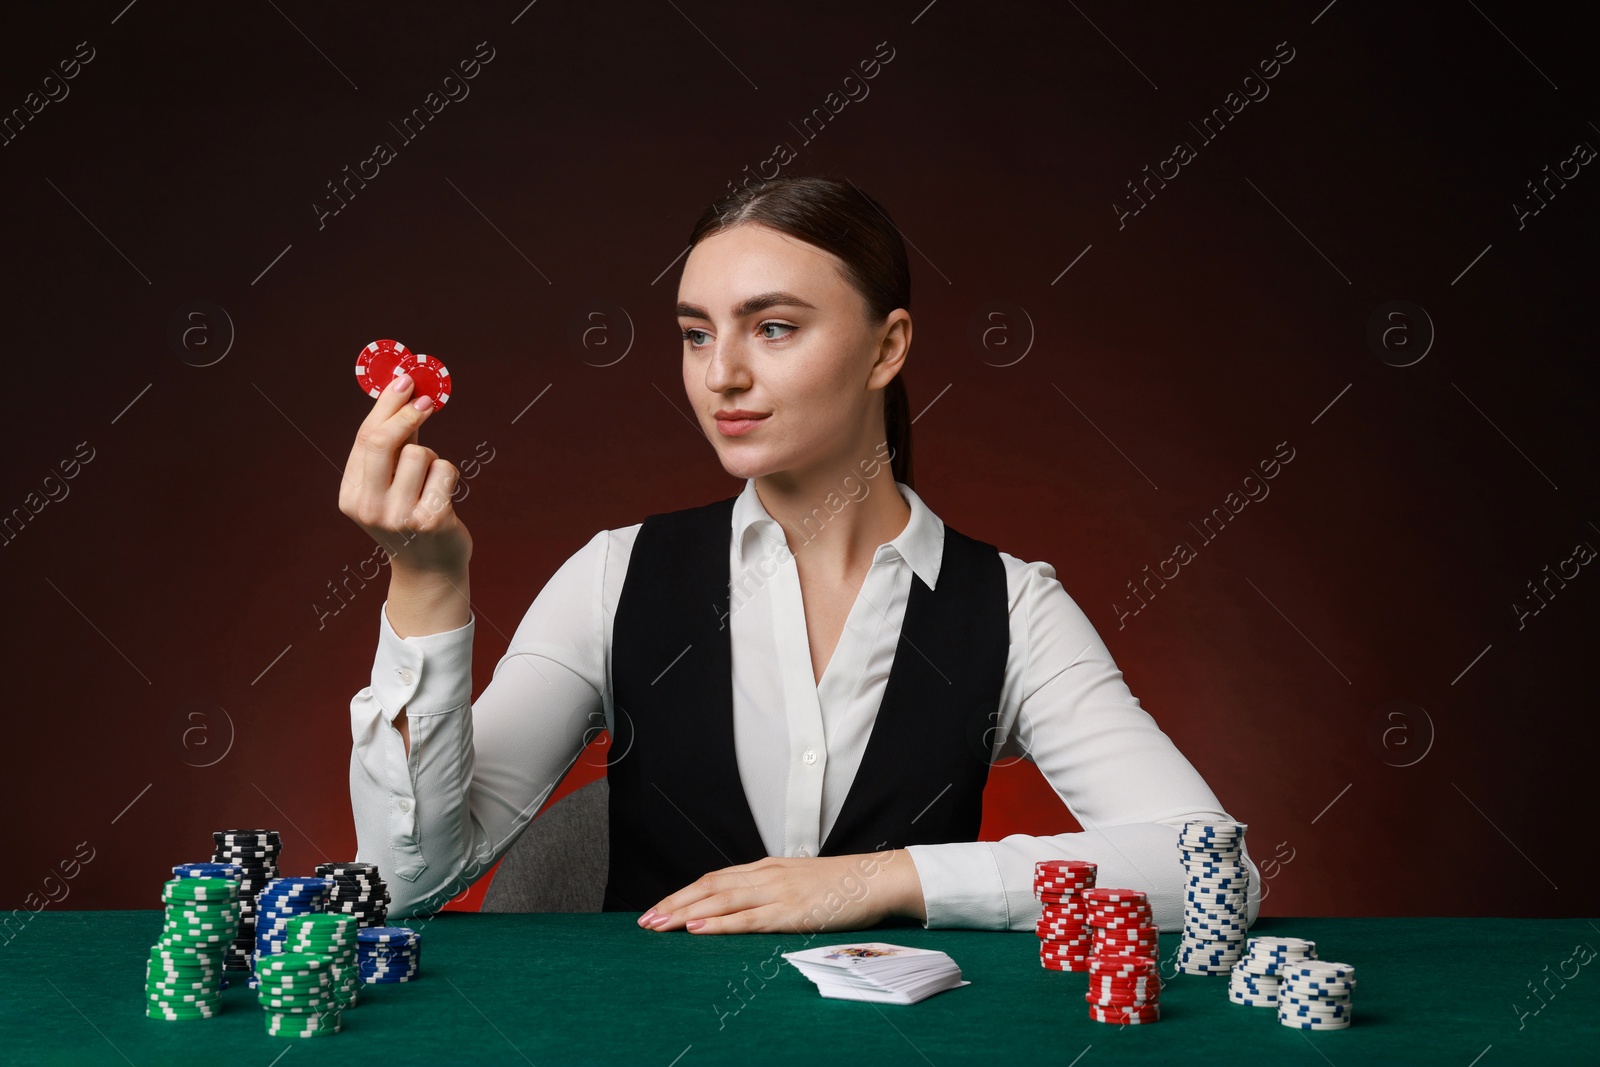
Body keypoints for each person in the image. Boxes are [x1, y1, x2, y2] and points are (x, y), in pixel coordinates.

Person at [340, 175, 1259, 937]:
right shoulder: (613, 576)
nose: (721, 374)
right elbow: (408, 879)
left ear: (886, 347)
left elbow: (1214, 868)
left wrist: (885, 879)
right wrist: (426, 581)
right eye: (697, 333)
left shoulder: (1012, 606)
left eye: (772, 328)